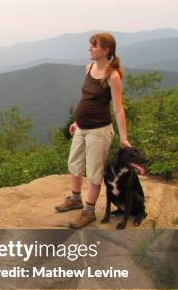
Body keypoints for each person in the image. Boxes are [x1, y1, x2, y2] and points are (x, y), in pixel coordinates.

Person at [55, 32, 132, 228]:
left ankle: (88, 211)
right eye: (90, 45)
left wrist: (124, 138)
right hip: (82, 128)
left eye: (94, 45)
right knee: (74, 163)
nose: (90, 48)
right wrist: (77, 121)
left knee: (94, 172)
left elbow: (118, 108)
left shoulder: (112, 76)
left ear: (106, 50)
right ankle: (75, 198)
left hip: (99, 131)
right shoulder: (89, 68)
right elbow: (87, 99)